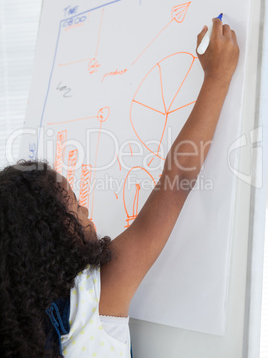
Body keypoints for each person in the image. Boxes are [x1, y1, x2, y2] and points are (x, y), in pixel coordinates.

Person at [0, 18, 239, 358]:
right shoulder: (95, 294)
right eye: (75, 207)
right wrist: (217, 78)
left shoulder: (17, 329)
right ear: (49, 236)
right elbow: (177, 184)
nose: (86, 210)